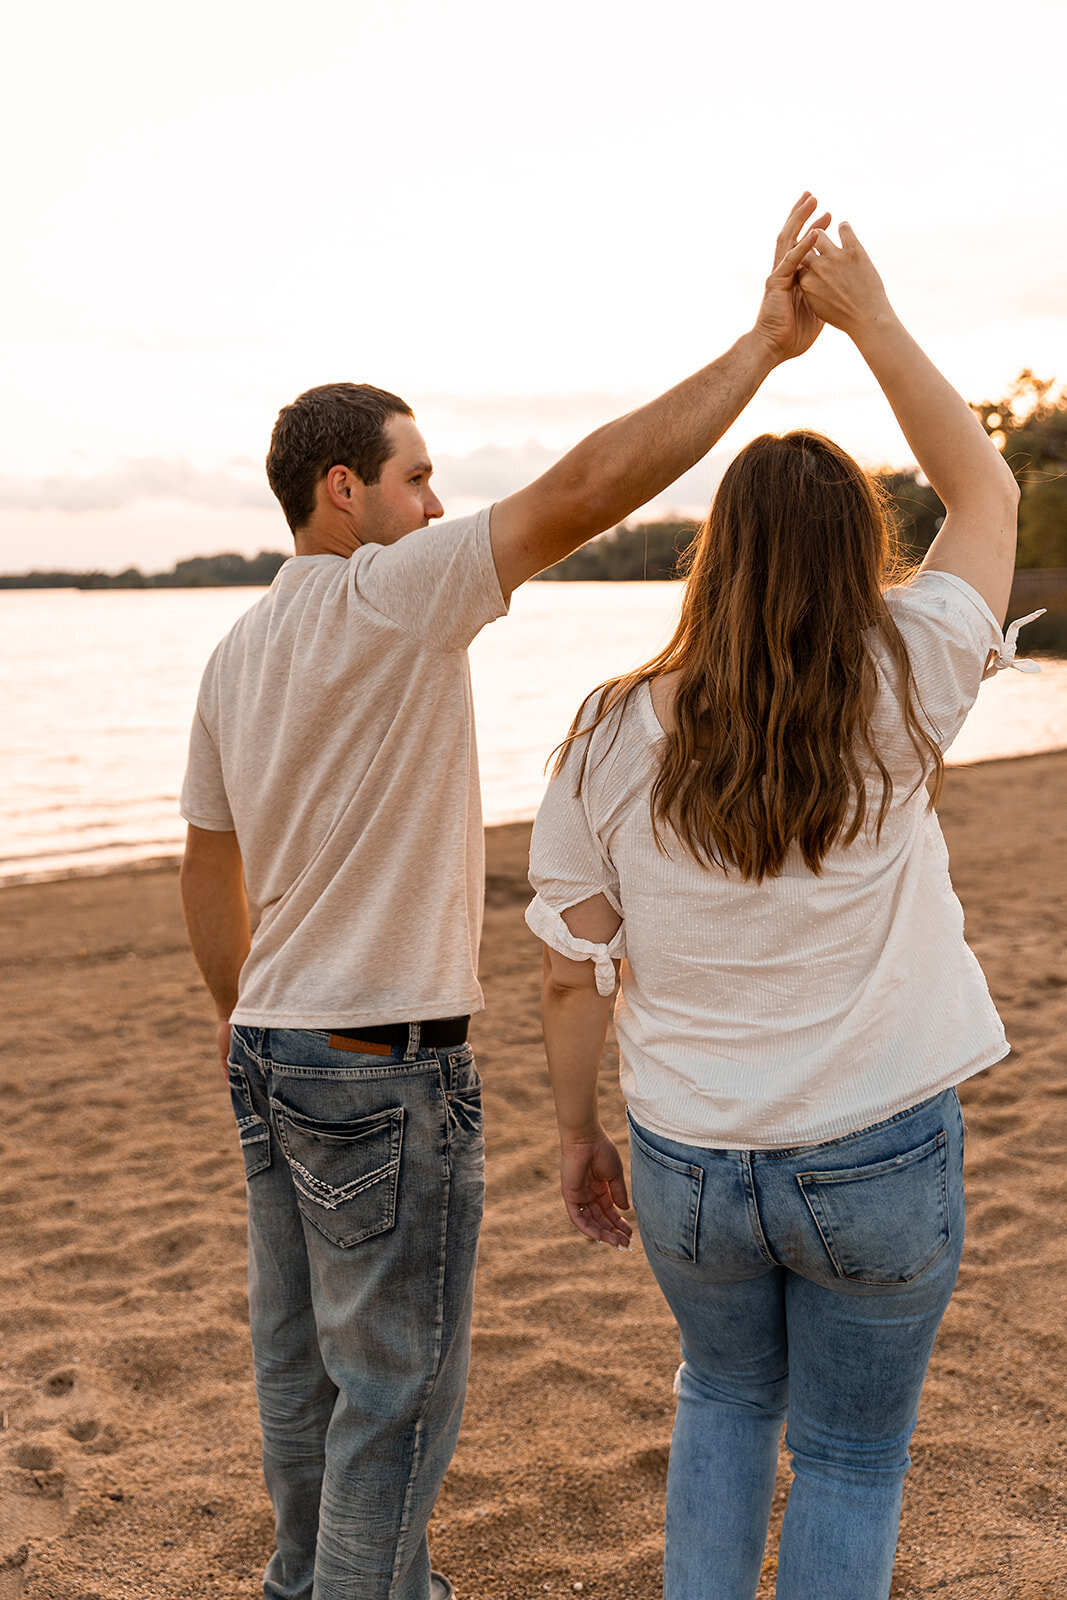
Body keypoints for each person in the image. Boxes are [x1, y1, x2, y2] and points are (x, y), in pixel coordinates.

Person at [177, 194, 831, 1600]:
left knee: (303, 1383)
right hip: (378, 1063)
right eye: (415, 476)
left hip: (277, 1056)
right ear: (342, 490)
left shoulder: (233, 653)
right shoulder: (395, 593)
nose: (434, 501)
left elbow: (204, 863)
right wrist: (759, 352)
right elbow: (594, 485)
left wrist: (251, 1014)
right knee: (394, 1406)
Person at [527, 223, 1036, 1599]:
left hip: (690, 1158)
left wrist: (580, 1135)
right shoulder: (911, 674)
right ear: (857, 552)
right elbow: (986, 491)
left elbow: (574, 973)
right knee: (855, 1457)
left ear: (715, 556)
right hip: (876, 1150)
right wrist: (867, 319)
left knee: (725, 1399)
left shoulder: (608, 729)